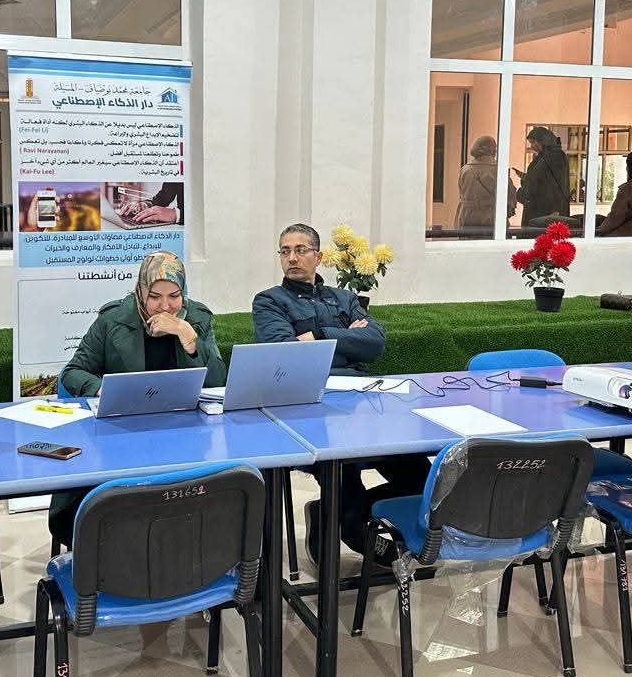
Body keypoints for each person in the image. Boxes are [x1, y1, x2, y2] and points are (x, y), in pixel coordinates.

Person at [252, 223, 429, 567]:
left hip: (364, 404)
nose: (292, 258)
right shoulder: (269, 301)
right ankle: (347, 523)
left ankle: (328, 513)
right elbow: (286, 352)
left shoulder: (344, 298)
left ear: (318, 257)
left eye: (300, 250)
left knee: (423, 477)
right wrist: (347, 339)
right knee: (346, 492)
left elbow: (374, 343)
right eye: (285, 251)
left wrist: (317, 335)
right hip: (312, 408)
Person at [51, 250, 226, 546]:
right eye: (155, 296)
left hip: (183, 435)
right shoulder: (113, 319)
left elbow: (218, 380)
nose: (165, 306)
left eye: (174, 296)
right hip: (123, 435)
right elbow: (73, 372)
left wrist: (189, 338)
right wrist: (102, 388)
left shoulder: (196, 318)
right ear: (141, 291)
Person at [455, 135, 516, 232]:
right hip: (491, 217)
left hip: (467, 217)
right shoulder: (498, 169)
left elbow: (461, 192)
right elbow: (510, 194)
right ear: (492, 149)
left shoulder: (465, 169)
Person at [512, 127, 571, 226]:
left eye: (533, 142)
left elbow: (558, 184)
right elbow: (539, 178)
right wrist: (525, 177)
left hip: (546, 212)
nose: (532, 146)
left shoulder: (556, 156)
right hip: (538, 210)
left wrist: (556, 210)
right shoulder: (544, 156)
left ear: (542, 140)